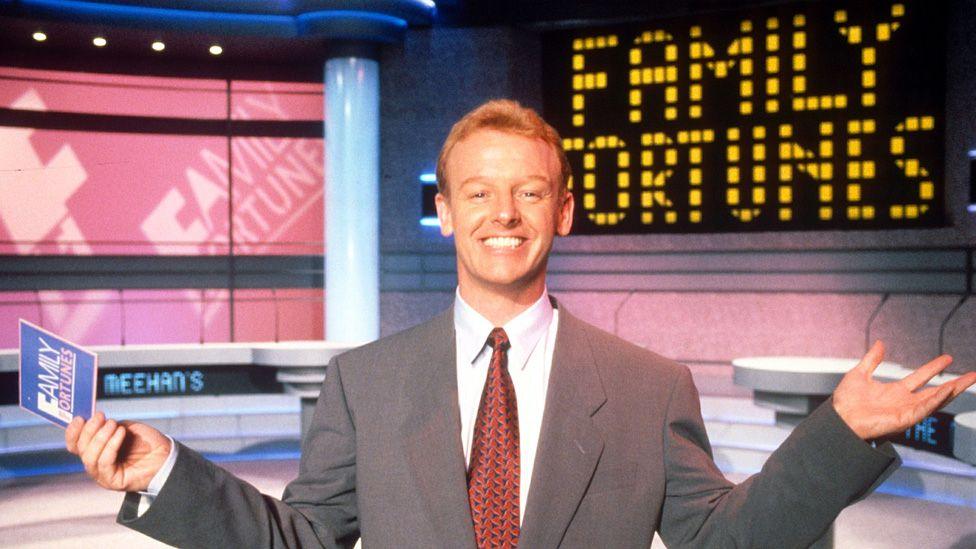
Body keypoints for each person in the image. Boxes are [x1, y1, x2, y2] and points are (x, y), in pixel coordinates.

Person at [66, 99, 976, 548]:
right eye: (480, 193)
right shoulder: (365, 382)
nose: (505, 212)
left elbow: (722, 540)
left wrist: (841, 432)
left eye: (529, 190)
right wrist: (166, 472)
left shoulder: (648, 385)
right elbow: (297, 541)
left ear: (564, 210)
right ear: (448, 215)